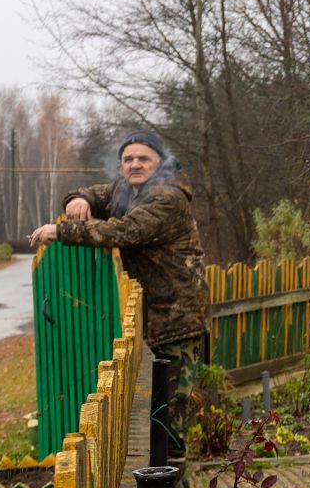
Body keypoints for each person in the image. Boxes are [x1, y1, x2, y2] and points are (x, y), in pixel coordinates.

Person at [29, 131, 210, 370]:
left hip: (176, 323)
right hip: (147, 317)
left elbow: (125, 231)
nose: (135, 165)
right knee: (148, 401)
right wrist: (78, 199)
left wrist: (61, 231)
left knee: (174, 404)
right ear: (121, 165)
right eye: (128, 159)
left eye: (143, 159)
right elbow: (92, 193)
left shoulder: (168, 197)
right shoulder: (124, 189)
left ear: (160, 162)